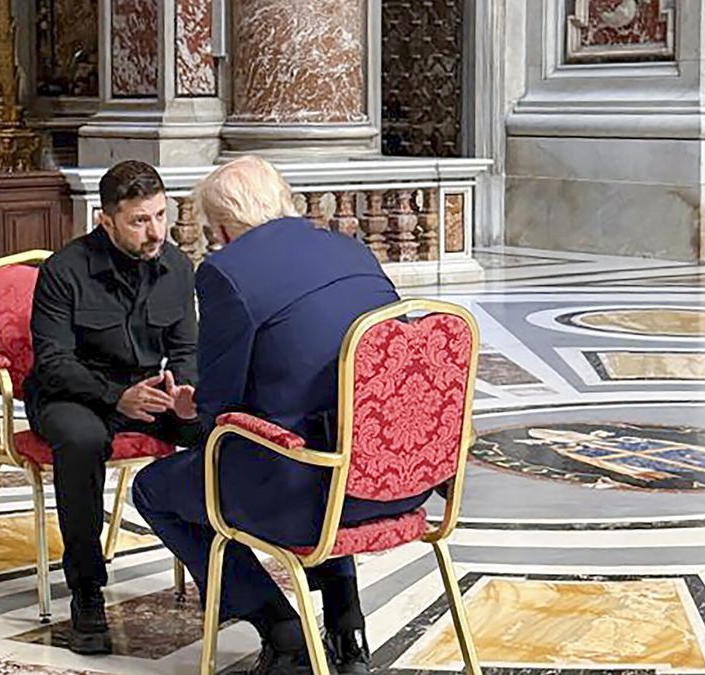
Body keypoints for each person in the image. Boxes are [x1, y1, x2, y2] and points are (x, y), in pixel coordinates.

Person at [133, 156, 436, 675]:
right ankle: (347, 630)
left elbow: (220, 411)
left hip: (306, 502)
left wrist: (190, 407)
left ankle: (279, 626)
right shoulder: (353, 250)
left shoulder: (227, 272)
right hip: (396, 481)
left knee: (156, 490)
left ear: (223, 228)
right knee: (329, 430)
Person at [25, 160, 202, 655]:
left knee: (218, 429)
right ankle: (86, 591)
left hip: (146, 391)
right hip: (72, 394)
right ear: (105, 220)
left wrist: (185, 393)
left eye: (161, 215)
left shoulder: (177, 267)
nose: (155, 231)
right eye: (140, 221)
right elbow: (53, 361)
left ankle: (220, 569)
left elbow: (186, 350)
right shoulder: (65, 269)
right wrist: (114, 397)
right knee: (81, 442)